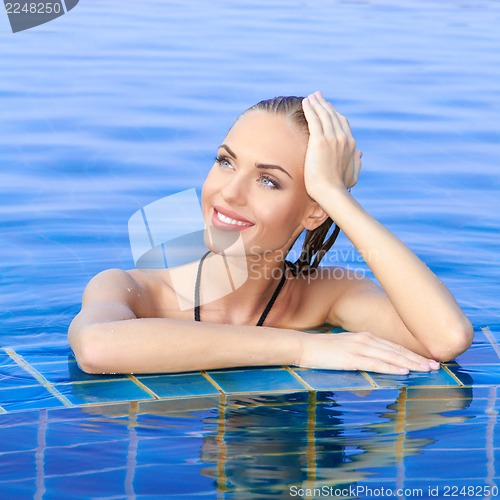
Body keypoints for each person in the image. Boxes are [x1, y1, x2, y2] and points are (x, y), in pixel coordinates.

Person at [68, 91, 473, 375]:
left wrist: (335, 196)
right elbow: (97, 346)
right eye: (226, 162)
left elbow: (446, 338)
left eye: (268, 181)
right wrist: (302, 348)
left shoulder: (323, 295)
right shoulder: (132, 289)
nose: (228, 193)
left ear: (314, 210)